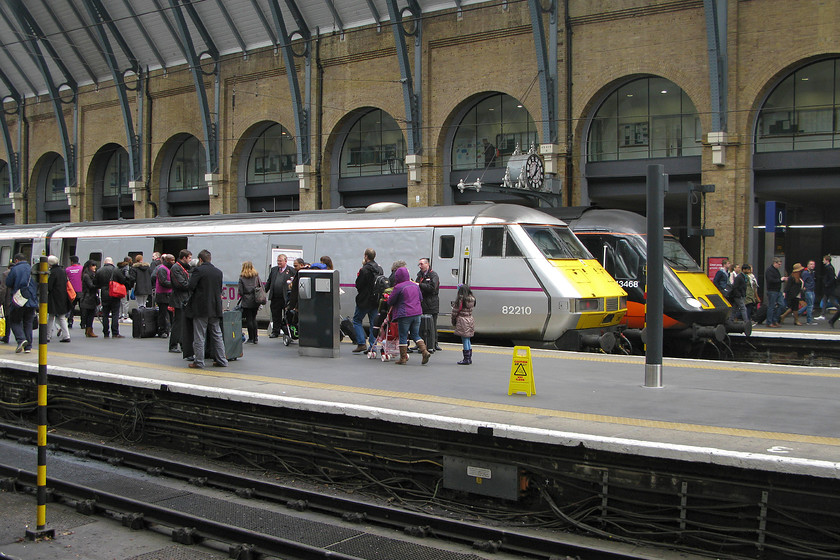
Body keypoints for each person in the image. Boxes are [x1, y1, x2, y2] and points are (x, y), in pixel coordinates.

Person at [187, 249, 228, 369]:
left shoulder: (198, 270)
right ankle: (222, 360)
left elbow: (191, 286)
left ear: (200, 259)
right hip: (215, 308)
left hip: (201, 308)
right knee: (217, 334)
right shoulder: (218, 272)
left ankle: (199, 361)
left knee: (199, 335)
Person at [387, 266, 430, 365]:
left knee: (403, 335)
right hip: (417, 313)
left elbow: (391, 301)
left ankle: (403, 358)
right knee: (415, 334)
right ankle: (424, 351)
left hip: (404, 314)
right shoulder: (415, 285)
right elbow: (421, 298)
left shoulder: (398, 287)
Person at [352, 248, 383, 353]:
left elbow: (359, 285)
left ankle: (361, 343)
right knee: (373, 323)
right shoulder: (379, 269)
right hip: (375, 300)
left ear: (366, 256)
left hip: (364, 300)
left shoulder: (364, 270)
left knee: (356, 320)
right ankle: (373, 346)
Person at [6, 253, 38, 353]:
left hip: (19, 300)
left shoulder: (15, 269)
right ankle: (28, 346)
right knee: (28, 322)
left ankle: (21, 339)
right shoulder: (32, 269)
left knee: (14, 320)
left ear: (16, 260)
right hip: (31, 299)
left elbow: (8, 283)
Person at [95, 257, 127, 338]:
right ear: (112, 263)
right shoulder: (116, 270)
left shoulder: (99, 270)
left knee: (105, 314)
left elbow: (95, 282)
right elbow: (123, 280)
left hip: (104, 295)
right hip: (115, 294)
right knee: (115, 313)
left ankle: (106, 332)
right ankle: (115, 332)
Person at [416, 257, 441, 352]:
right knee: (420, 323)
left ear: (427, 264)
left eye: (421, 264)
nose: (420, 266)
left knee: (432, 324)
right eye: (419, 264)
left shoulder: (434, 275)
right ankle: (421, 343)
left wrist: (419, 285)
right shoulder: (419, 275)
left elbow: (432, 288)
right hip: (422, 303)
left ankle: (433, 343)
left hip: (431, 304)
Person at [266, 254, 294, 338]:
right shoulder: (274, 270)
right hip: (275, 297)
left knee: (287, 315)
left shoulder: (291, 270)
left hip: (285, 297)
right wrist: (264, 291)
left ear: (285, 261)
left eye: (280, 261)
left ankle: (287, 332)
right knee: (275, 315)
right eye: (278, 261)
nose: (279, 262)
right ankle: (275, 331)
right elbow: (269, 282)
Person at [170, 250, 192, 357]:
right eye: (189, 258)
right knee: (178, 323)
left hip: (184, 298)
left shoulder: (183, 268)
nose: (190, 260)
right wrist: (190, 284)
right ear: (184, 257)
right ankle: (173, 344)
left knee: (183, 323)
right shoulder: (176, 268)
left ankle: (183, 344)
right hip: (179, 298)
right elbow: (181, 284)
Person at [45, 255, 72, 343]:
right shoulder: (62, 271)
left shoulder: (52, 272)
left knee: (51, 317)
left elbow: (49, 286)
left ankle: (47, 336)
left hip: (53, 297)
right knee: (62, 317)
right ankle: (66, 335)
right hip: (63, 296)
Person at [238, 261, 262, 344]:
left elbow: (240, 291)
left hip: (246, 300)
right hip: (255, 299)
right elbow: (260, 286)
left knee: (249, 319)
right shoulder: (256, 276)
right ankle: (256, 338)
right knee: (254, 318)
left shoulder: (242, 277)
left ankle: (251, 338)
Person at [451, 284, 476, 365]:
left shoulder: (461, 300)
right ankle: (469, 358)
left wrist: (453, 321)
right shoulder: (472, 299)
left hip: (462, 320)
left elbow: (455, 312)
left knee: (464, 340)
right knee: (468, 339)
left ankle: (466, 359)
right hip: (470, 319)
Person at [155, 254, 174, 338]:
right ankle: (162, 330)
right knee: (163, 313)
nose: (173, 262)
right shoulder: (162, 269)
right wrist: (174, 284)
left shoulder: (167, 269)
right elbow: (163, 282)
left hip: (167, 294)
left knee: (169, 313)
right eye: (171, 260)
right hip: (162, 294)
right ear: (167, 260)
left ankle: (167, 329)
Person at [80, 260, 99, 338]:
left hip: (89, 297)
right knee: (90, 315)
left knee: (90, 315)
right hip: (88, 298)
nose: (95, 267)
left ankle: (89, 330)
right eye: (93, 265)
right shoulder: (87, 276)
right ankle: (89, 330)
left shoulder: (88, 275)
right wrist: (98, 285)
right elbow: (91, 286)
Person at [764, 257, 784, 328]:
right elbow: (770, 280)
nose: (780, 266)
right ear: (774, 263)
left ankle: (774, 320)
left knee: (781, 305)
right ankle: (769, 322)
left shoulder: (776, 270)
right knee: (771, 306)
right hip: (772, 290)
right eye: (779, 264)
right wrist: (780, 280)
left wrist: (781, 280)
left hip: (777, 290)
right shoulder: (769, 270)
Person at [65, 255, 83, 328]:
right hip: (81, 291)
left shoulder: (67, 269)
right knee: (82, 308)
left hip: (72, 292)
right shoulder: (82, 268)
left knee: (71, 308)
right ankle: (83, 323)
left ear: (71, 262)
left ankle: (70, 322)